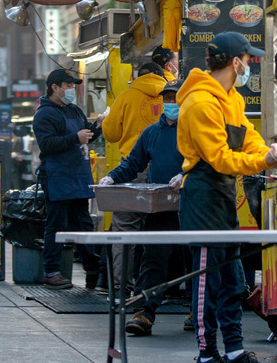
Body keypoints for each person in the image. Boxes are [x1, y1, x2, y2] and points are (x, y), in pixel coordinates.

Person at [177, 32, 277, 363]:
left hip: (223, 195)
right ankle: (205, 359)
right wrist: (264, 163)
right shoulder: (200, 102)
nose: (249, 65)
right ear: (234, 62)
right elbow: (219, 159)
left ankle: (234, 351)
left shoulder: (233, 99)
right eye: (247, 59)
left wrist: (269, 152)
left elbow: (248, 139)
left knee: (231, 279)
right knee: (205, 282)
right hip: (201, 194)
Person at [98, 79, 188, 336]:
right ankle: (143, 312)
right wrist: (113, 177)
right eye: (167, 98)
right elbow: (133, 162)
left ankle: (197, 312)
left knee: (193, 259)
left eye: (175, 98)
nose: (170, 103)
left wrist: (186, 175)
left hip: (191, 205)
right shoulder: (151, 132)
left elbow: (206, 160)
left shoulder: (194, 129)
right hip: (161, 206)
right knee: (153, 258)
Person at [33, 68, 103, 290]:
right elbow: (47, 144)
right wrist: (75, 137)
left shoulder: (74, 110)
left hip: (78, 174)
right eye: (68, 86)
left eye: (73, 86)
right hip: (57, 175)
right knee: (57, 224)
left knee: (83, 224)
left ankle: (93, 270)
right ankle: (51, 271)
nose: (72, 90)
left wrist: (96, 128)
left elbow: (86, 137)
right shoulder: (44, 114)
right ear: (55, 87)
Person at [101, 61, 167, 290]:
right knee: (166, 229)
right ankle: (165, 287)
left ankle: (122, 286)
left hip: (133, 169)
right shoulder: (171, 96)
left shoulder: (126, 97)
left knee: (125, 228)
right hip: (166, 172)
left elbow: (110, 134)